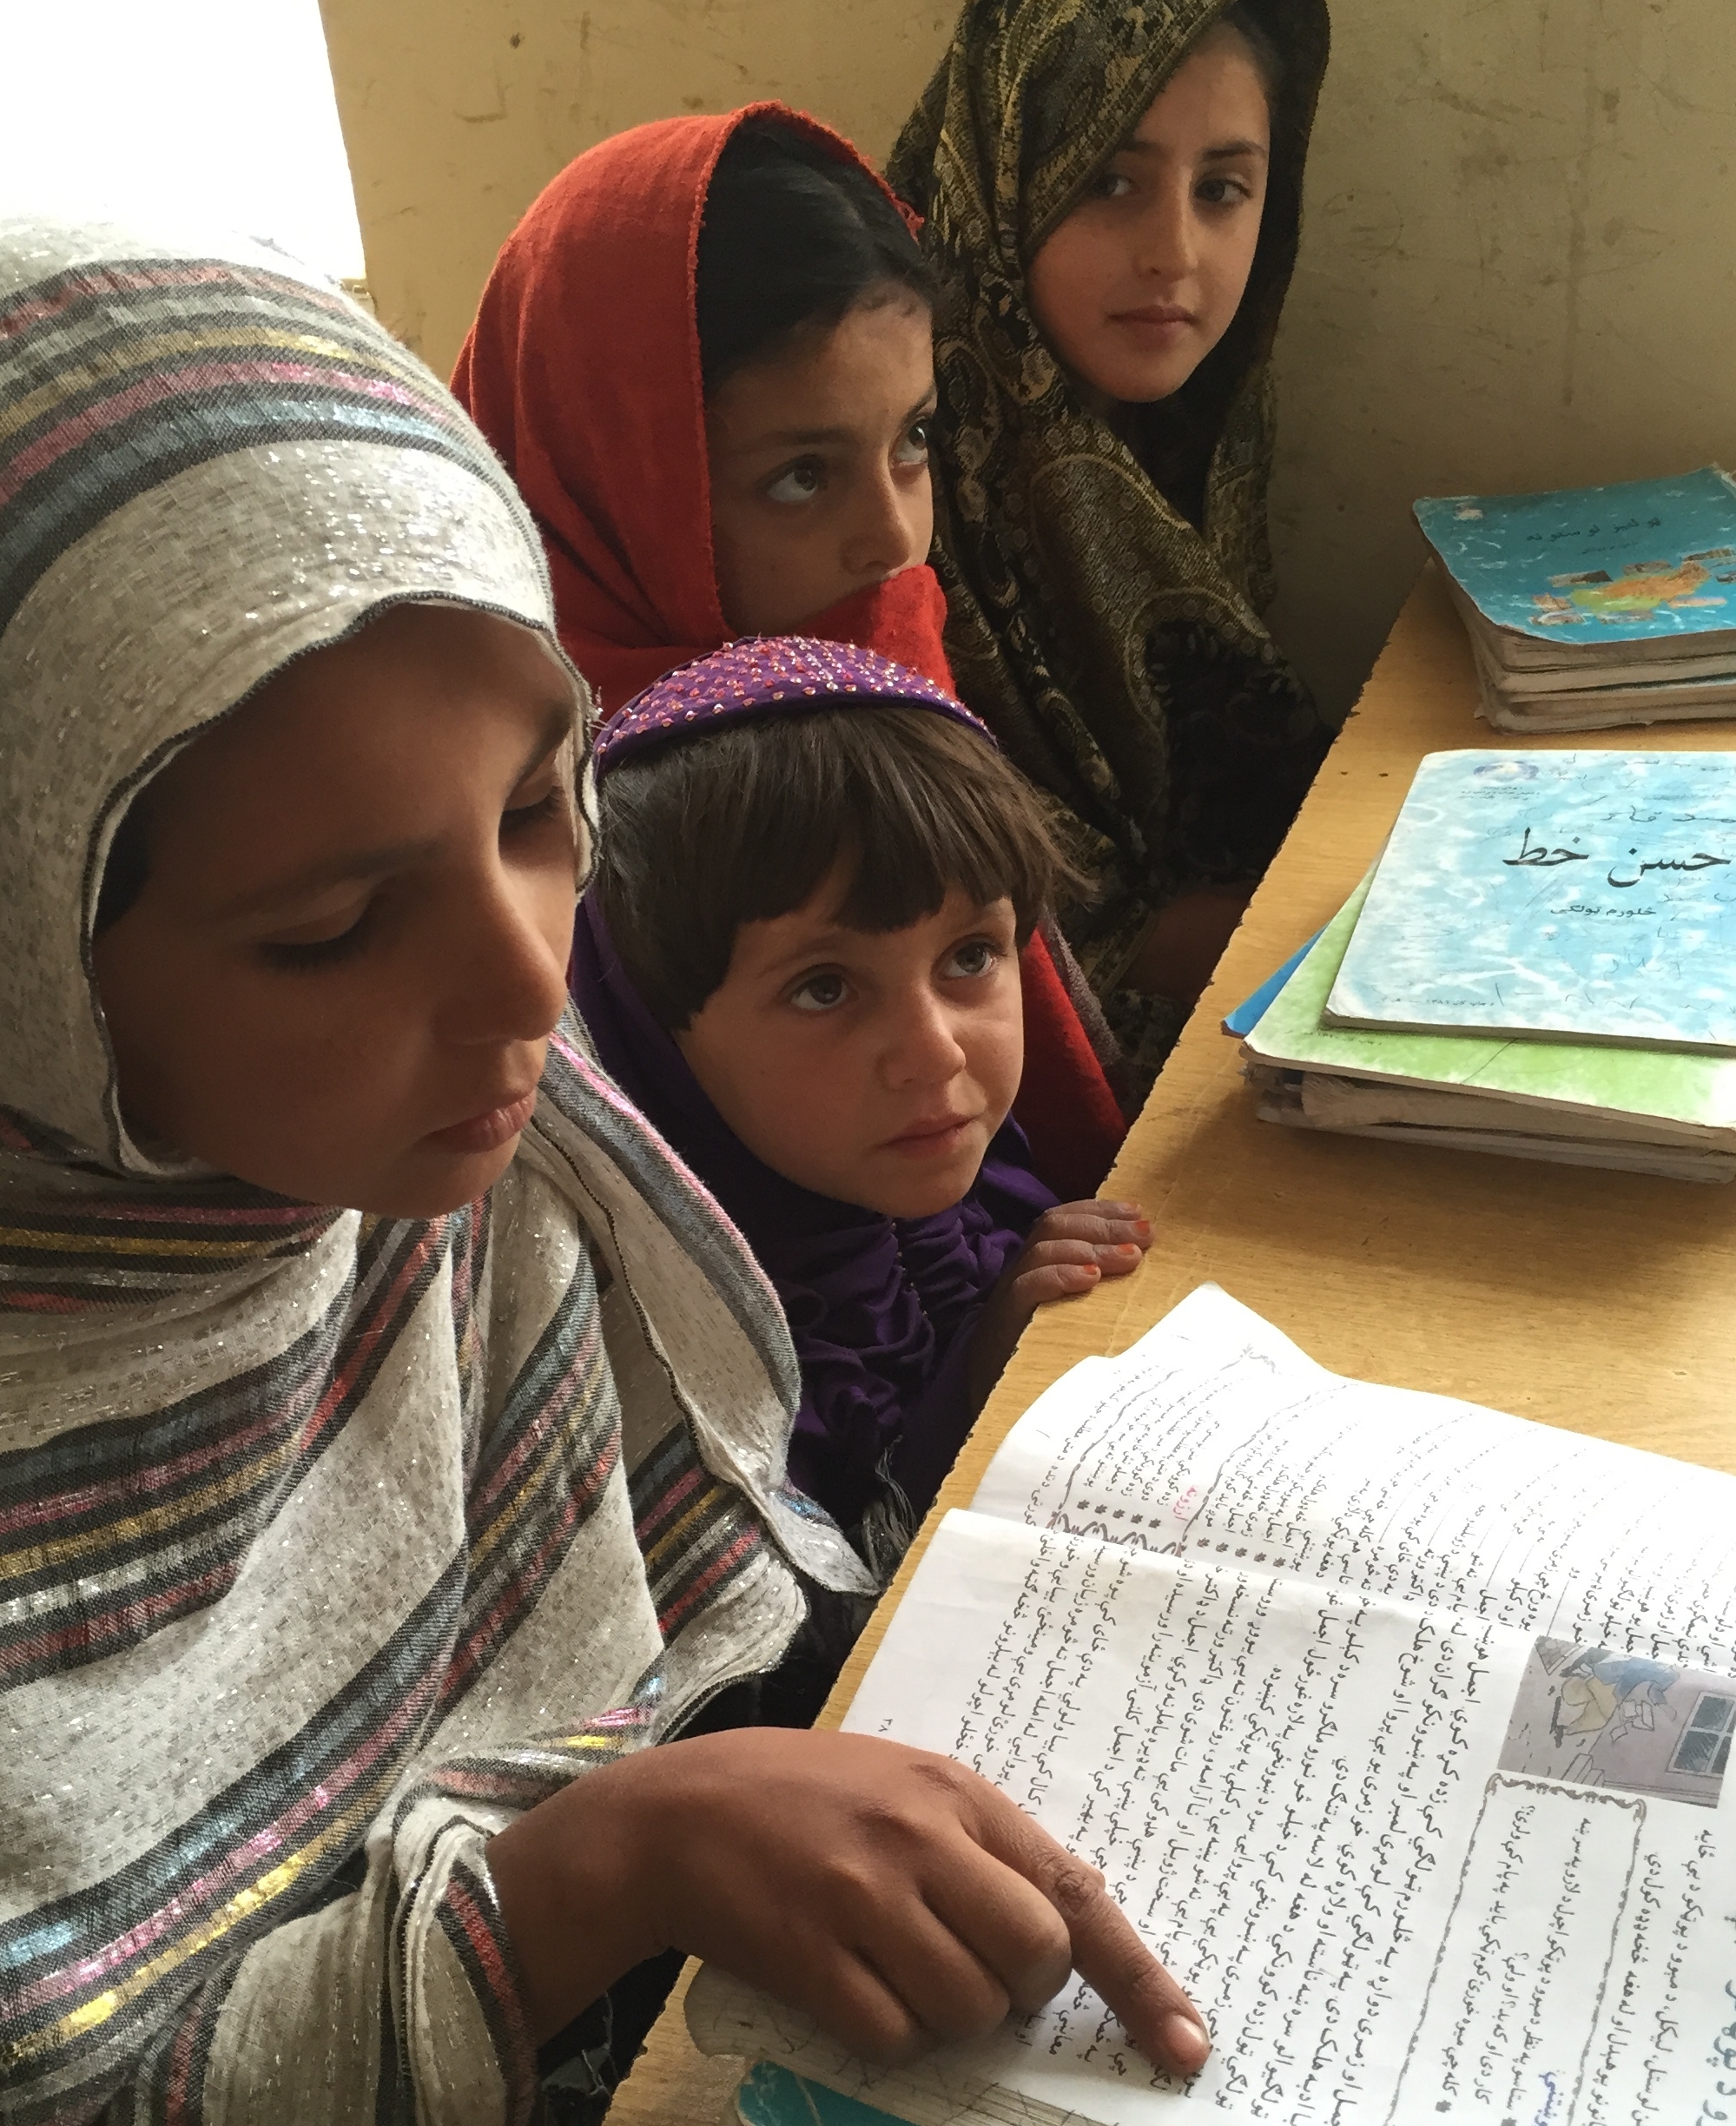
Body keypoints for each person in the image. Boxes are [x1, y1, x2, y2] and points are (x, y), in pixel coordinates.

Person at [0, 215, 1213, 2121]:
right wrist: (593, 1877)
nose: (537, 983)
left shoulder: (396, 1162)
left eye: (541, 804)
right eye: (333, 928)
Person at [459, 103, 1128, 1200]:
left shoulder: (861, 627)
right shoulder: (506, 799)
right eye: (802, 475)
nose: (896, 536)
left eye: (912, 439)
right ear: (618, 473)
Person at [574, 637, 1155, 1574]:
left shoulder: (971, 1174)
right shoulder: (671, 1374)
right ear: (655, 1036)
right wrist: (977, 1376)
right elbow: (827, 1621)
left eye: (970, 956)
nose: (935, 1053)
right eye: (824, 988)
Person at [889, 0, 1336, 1075]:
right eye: (1109, 181)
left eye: (1222, 189)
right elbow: (1046, 932)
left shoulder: (1197, 427)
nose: (1175, 253)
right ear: (1005, 177)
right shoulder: (898, 461)